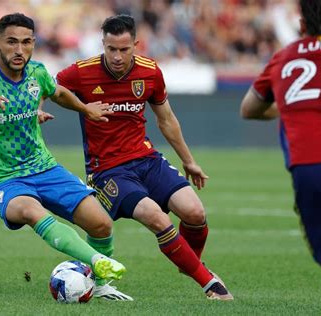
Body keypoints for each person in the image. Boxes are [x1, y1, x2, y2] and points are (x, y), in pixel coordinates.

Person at [0, 13, 133, 298]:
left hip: (44, 169)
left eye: (27, 42)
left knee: (101, 223)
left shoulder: (37, 72)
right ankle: (95, 262)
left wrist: (86, 108)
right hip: (5, 180)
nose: (20, 50)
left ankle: (98, 284)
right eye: (12, 42)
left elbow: (58, 92)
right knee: (30, 210)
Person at [53, 14, 233, 300]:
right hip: (108, 170)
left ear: (136, 44)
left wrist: (189, 160)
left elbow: (167, 119)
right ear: (103, 44)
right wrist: (70, 108)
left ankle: (190, 264)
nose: (117, 56)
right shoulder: (82, 71)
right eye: (111, 49)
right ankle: (210, 284)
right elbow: (50, 87)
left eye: (124, 49)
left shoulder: (150, 71)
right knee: (157, 218)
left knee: (195, 213)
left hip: (147, 159)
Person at [240, 0, 321, 288]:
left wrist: (293, 107)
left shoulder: (285, 57)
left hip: (314, 167)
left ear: (303, 25)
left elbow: (248, 109)